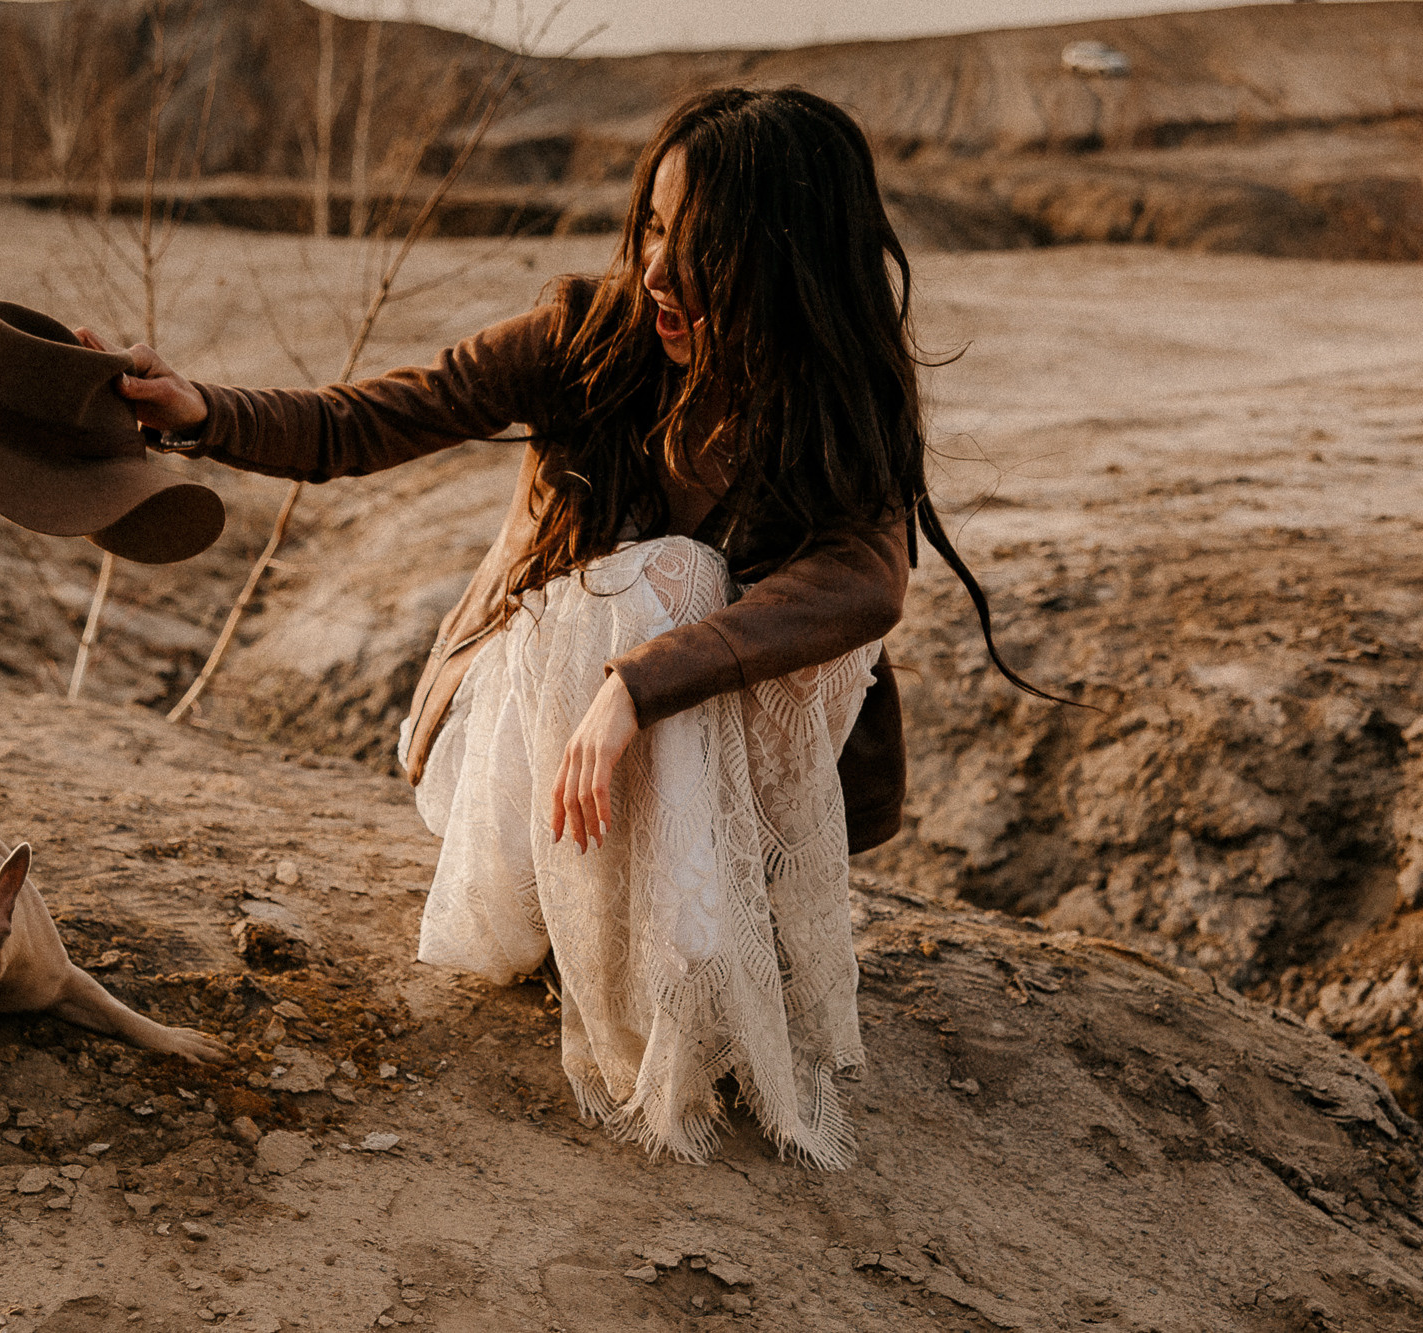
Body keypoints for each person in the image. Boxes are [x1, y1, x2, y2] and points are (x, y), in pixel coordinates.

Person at [78, 87, 1048, 1167]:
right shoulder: (590, 332)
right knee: (663, 574)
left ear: (788, 259)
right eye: (650, 227)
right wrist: (203, 411)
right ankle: (643, 980)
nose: (660, 272)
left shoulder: (830, 399)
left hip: (627, 740)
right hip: (510, 751)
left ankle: (675, 950)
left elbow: (863, 584)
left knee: (742, 608)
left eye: (705, 246)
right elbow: (371, 416)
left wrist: (636, 683)